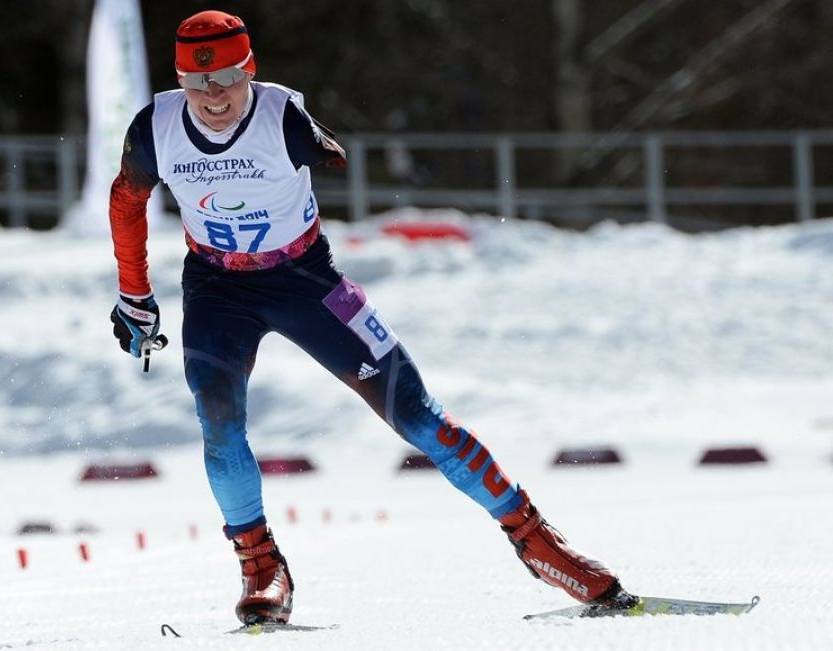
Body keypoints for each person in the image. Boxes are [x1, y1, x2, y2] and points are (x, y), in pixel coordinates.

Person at [108, 10, 637, 625]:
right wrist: (134, 294)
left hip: (305, 280)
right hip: (215, 288)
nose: (213, 96)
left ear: (249, 69)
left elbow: (332, 144)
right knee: (218, 422)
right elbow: (127, 201)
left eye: (226, 77)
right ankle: (261, 566)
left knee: (417, 415)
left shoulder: (281, 116)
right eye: (197, 83)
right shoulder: (157, 125)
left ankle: (539, 543)